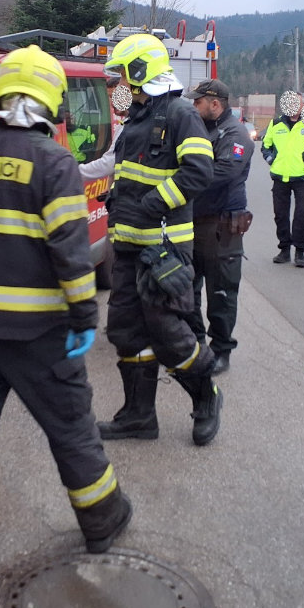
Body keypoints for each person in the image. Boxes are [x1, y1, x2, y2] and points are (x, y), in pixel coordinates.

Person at [0, 46, 132, 579]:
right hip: (40, 333)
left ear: (1, 92)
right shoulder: (54, 161)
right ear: (52, 100)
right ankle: (103, 519)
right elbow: (69, 248)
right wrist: (84, 317)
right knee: (70, 428)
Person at [95, 33, 223, 447]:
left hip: (163, 248)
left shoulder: (181, 113)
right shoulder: (138, 116)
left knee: (168, 333)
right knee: (126, 332)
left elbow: (199, 172)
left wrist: (152, 204)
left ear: (140, 70)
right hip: (130, 249)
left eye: (124, 73)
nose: (121, 83)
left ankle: (206, 397)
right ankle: (138, 417)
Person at [185, 79, 253, 376]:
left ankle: (221, 349)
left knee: (222, 290)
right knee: (189, 285)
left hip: (221, 224)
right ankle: (197, 342)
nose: (194, 106)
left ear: (215, 103)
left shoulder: (236, 134)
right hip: (194, 220)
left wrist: (184, 180)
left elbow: (225, 170)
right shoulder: (204, 128)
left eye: (198, 102)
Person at [261, 91, 304, 267]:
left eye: (298, 103)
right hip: (280, 178)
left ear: (303, 106)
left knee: (301, 215)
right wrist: (270, 159)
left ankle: (300, 252)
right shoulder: (276, 123)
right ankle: (284, 249)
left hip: (302, 178)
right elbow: (265, 146)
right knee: (280, 215)